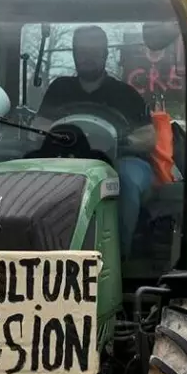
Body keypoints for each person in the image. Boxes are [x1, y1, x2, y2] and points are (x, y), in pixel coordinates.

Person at [35, 25, 155, 260]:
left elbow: (149, 136)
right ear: (74, 53)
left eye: (93, 50)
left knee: (126, 182)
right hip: (66, 160)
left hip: (120, 160)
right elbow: (38, 126)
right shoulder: (59, 89)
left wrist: (122, 139)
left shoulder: (125, 93)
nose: (87, 56)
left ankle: (118, 259)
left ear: (105, 53)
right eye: (81, 50)